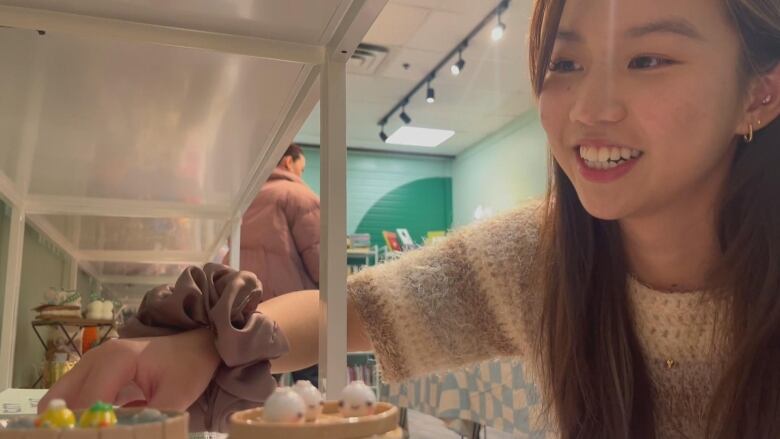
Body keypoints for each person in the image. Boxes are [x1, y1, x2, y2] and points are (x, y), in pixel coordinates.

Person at [41, 0, 780, 436]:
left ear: (760, 93)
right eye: (565, 63)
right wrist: (200, 343)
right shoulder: (542, 258)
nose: (590, 109)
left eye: (649, 60)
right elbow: (352, 307)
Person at [225, 143, 320, 385]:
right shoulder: (299, 195)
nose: (301, 173)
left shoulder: (244, 200)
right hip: (294, 306)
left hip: (246, 305)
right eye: (302, 167)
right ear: (288, 162)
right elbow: (318, 255)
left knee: (261, 379)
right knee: (307, 380)